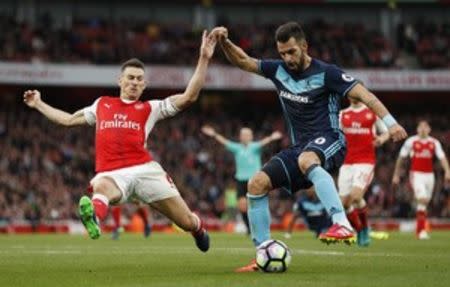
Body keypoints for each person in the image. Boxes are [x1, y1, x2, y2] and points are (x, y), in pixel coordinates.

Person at [210, 22, 407, 272]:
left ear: (304, 46)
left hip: (331, 138)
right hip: (300, 147)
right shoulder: (278, 70)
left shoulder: (329, 73)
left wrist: (391, 124)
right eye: (282, 53)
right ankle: (262, 254)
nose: (287, 58)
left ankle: (341, 222)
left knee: (306, 159)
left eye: (291, 51)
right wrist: (225, 42)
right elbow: (243, 61)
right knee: (256, 184)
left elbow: (366, 95)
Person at [23, 30, 217, 252]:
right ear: (120, 80)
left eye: (139, 79)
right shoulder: (101, 104)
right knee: (100, 186)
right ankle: (94, 217)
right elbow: (67, 120)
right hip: (112, 173)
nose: (134, 82)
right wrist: (39, 104)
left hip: (145, 170)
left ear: (144, 85)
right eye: (130, 78)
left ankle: (198, 228)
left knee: (185, 221)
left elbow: (188, 97)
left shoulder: (150, 108)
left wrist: (204, 57)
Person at [201, 125, 282, 234]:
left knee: (256, 205)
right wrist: (214, 134)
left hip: (254, 180)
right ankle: (249, 229)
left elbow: (264, 142)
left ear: (251, 137)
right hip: (241, 180)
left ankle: (260, 227)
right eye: (243, 135)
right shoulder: (237, 148)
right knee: (242, 206)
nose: (244, 137)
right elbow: (225, 142)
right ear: (240, 137)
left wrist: (272, 137)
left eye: (247, 135)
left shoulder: (254, 147)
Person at [338, 97, 390, 246]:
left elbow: (386, 132)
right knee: (344, 204)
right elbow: (337, 135)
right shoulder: (342, 114)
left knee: (355, 196)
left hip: (365, 161)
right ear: (349, 96)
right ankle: (360, 229)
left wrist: (382, 139)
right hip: (347, 163)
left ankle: (365, 228)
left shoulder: (371, 113)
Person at [392, 120, 450, 240]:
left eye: (425, 127)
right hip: (416, 174)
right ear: (417, 129)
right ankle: (421, 231)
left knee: (424, 203)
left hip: (430, 176)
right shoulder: (411, 141)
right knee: (422, 199)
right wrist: (396, 175)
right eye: (421, 127)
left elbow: (442, 158)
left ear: (429, 129)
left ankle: (420, 229)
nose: (423, 129)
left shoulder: (434, 142)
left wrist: (447, 171)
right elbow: (401, 158)